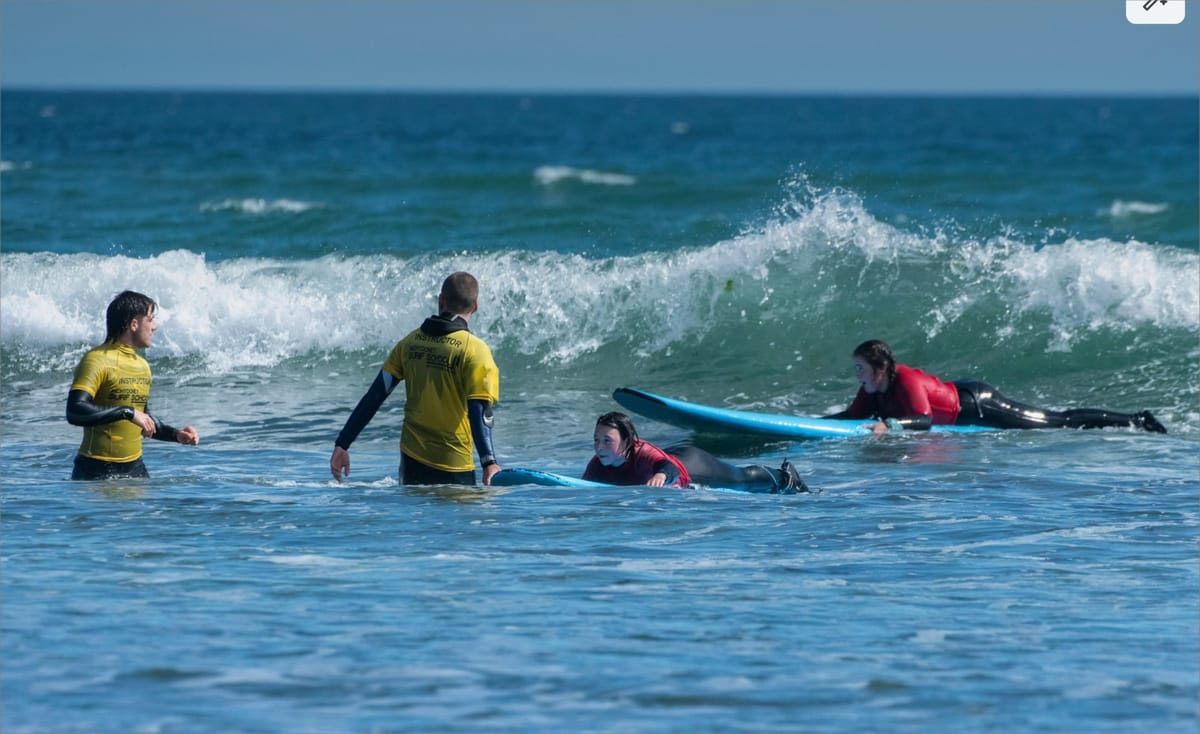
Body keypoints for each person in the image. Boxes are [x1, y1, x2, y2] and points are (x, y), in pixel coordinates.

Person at [330, 272, 502, 486]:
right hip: (453, 465)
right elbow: (480, 411)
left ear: (441, 300)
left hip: (411, 462)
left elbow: (375, 395)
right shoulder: (476, 351)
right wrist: (489, 462)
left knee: (415, 518)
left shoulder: (410, 343)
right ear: (475, 306)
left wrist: (343, 443)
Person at [824, 339, 1167, 433]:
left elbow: (924, 421)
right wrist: (816, 424)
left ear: (881, 368)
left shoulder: (907, 380)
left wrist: (889, 425)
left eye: (861, 368)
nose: (857, 374)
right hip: (958, 397)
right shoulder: (871, 389)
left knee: (1054, 422)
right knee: (1054, 421)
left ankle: (1135, 420)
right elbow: (850, 417)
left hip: (976, 402)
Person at [66, 290, 200, 480]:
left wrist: (176, 435)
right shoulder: (96, 360)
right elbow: (75, 411)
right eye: (150, 319)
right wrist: (127, 412)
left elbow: (143, 419)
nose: (155, 327)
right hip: (95, 470)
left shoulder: (142, 366)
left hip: (136, 469)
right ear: (134, 324)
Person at [584, 411, 810, 493]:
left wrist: (662, 475)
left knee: (738, 479)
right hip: (669, 454)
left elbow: (669, 468)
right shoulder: (598, 463)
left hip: (692, 465)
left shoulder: (642, 452)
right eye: (596, 440)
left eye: (607, 440)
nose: (599, 446)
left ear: (627, 441)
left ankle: (786, 477)